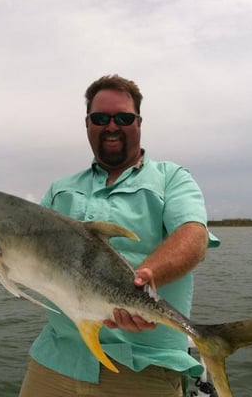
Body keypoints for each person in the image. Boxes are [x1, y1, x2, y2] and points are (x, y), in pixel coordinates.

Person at [18, 75, 219, 397]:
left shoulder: (172, 178)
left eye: (123, 118)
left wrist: (146, 281)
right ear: (88, 124)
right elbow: (25, 252)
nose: (112, 126)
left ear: (138, 122)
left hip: (144, 368)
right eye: (101, 118)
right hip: (55, 361)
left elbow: (192, 235)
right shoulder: (60, 189)